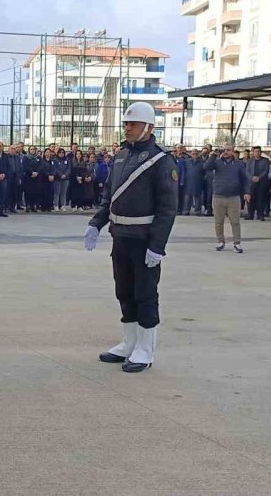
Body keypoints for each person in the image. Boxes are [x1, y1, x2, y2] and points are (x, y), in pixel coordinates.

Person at [84, 102, 177, 373]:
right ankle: (129, 342)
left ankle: (145, 350)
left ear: (148, 127)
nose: (127, 128)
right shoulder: (121, 156)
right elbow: (110, 197)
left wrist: (157, 246)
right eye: (126, 124)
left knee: (145, 294)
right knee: (123, 291)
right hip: (120, 236)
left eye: (133, 124)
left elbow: (167, 208)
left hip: (145, 239)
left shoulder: (161, 160)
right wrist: (96, 223)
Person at [204, 144, 251, 253]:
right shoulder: (217, 162)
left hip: (234, 197)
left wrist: (247, 192)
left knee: (235, 222)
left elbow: (245, 179)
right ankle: (220, 241)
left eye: (228, 150)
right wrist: (213, 155)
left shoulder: (239, 164)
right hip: (218, 196)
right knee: (218, 221)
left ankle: (237, 243)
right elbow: (206, 167)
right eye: (224, 150)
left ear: (233, 151)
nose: (225, 152)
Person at [245, 146, 270, 221]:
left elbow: (266, 171)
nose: (257, 153)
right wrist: (251, 177)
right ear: (253, 152)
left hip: (261, 182)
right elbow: (247, 171)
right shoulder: (249, 161)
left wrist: (259, 177)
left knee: (261, 199)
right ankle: (250, 214)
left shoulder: (265, 160)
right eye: (255, 151)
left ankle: (261, 215)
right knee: (250, 199)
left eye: (258, 151)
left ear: (261, 152)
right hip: (251, 182)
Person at [183, 149, 205, 215]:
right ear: (191, 154)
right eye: (193, 154)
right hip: (188, 181)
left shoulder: (202, 162)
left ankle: (197, 211)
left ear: (198, 154)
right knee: (187, 196)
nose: (194, 155)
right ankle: (186, 210)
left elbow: (204, 171)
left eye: (196, 154)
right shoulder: (186, 161)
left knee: (198, 196)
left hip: (198, 181)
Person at [7, 143, 24, 214]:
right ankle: (6, 207)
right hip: (8, 177)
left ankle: (12, 207)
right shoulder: (6, 157)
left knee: (14, 193)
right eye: (12, 149)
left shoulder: (17, 157)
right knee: (7, 193)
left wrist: (19, 178)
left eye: (14, 149)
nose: (13, 150)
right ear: (9, 149)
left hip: (15, 177)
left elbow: (20, 168)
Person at [23, 145, 42, 212]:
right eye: (31, 149)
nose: (32, 150)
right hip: (28, 177)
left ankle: (33, 206)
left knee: (35, 192)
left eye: (34, 149)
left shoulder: (38, 157)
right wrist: (32, 172)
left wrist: (37, 172)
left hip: (36, 177)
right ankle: (27, 206)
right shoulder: (26, 157)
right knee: (28, 192)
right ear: (29, 150)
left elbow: (40, 166)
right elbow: (25, 166)